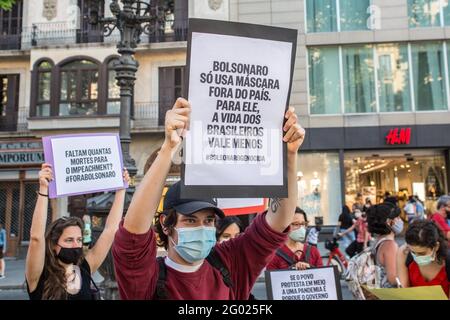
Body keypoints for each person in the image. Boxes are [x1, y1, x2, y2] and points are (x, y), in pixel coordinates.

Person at [112, 98, 306, 300]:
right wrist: (169, 147)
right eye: (190, 220)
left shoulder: (230, 264)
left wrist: (290, 155)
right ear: (166, 224)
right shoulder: (147, 279)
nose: (202, 228)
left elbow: (277, 224)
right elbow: (132, 236)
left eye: (209, 221)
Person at [25, 163, 130, 300]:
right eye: (69, 240)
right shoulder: (38, 275)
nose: (76, 245)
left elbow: (110, 230)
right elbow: (36, 238)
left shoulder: (85, 269)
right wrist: (44, 188)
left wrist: (121, 189)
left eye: (79, 240)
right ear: (53, 245)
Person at [397, 220, 449, 298]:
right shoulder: (404, 252)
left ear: (436, 246)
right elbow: (404, 292)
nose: (417, 257)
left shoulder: (448, 261)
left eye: (422, 253)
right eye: (413, 252)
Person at [366, 203, 403, 288]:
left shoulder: (379, 241)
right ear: (389, 222)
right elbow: (393, 279)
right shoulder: (389, 245)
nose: (400, 220)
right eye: (397, 217)